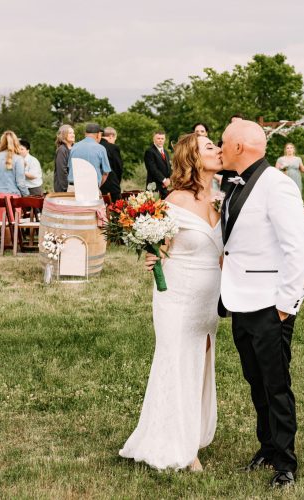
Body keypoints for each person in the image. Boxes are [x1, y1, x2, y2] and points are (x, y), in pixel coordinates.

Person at [120, 133, 223, 471]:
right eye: (210, 147)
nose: (218, 150)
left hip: (210, 300)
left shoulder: (222, 197)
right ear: (192, 157)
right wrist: (154, 257)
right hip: (177, 295)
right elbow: (161, 245)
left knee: (199, 365)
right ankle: (181, 446)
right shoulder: (175, 199)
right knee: (177, 362)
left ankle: (191, 431)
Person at [219, 120, 304, 489]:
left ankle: (286, 463)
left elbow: (297, 248)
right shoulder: (233, 184)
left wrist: (286, 304)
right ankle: (267, 447)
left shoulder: (278, 185)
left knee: (276, 385)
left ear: (240, 147)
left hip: (270, 304)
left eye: (224, 143)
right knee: (255, 381)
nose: (220, 149)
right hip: (239, 300)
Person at [0, 131, 29, 222]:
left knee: (2, 225)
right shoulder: (18, 159)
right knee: (13, 226)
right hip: (13, 196)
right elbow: (20, 183)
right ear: (16, 142)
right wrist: (27, 195)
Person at [67, 122, 110, 189]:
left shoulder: (74, 146)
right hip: (91, 188)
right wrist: (98, 185)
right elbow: (106, 172)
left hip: (73, 188)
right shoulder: (101, 148)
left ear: (85, 134)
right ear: (98, 135)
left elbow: (69, 167)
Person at [144, 130, 171, 197]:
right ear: (154, 139)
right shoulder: (149, 151)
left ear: (165, 140)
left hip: (164, 187)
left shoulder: (166, 152)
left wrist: (169, 179)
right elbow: (152, 169)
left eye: (162, 138)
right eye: (158, 138)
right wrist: (164, 180)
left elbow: (168, 167)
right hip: (153, 187)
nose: (160, 140)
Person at [99, 127, 124, 202]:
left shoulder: (96, 146)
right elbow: (118, 168)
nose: (114, 141)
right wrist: (117, 182)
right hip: (111, 185)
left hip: (98, 185)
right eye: (115, 139)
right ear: (111, 136)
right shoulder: (113, 147)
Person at [54, 124, 74, 193]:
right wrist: (66, 188)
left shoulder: (75, 148)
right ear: (63, 135)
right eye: (70, 133)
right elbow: (62, 171)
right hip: (64, 189)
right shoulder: (62, 150)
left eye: (73, 133)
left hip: (74, 187)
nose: (73, 135)